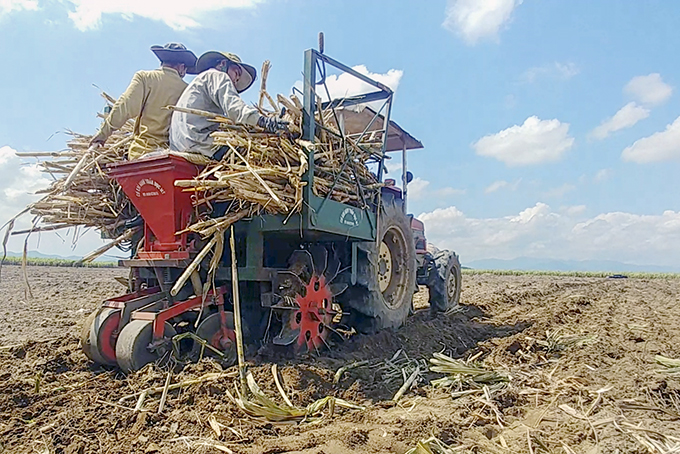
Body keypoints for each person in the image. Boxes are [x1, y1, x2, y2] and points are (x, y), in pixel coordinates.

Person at [170, 51, 288, 158]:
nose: (236, 80)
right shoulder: (218, 75)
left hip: (180, 147)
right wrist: (265, 121)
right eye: (236, 73)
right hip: (201, 144)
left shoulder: (199, 82)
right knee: (256, 156)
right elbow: (234, 109)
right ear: (223, 64)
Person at [91, 43, 197, 160]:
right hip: (173, 156)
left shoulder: (145, 78)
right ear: (181, 67)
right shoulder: (188, 90)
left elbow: (125, 106)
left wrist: (103, 133)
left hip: (143, 153)